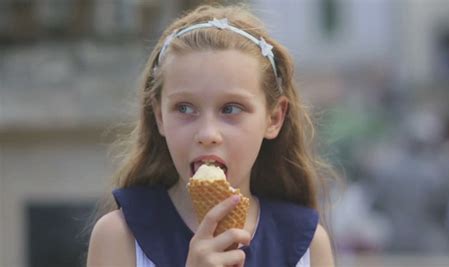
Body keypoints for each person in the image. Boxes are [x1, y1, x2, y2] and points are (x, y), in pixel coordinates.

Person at [87, 4, 335, 267]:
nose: (207, 134)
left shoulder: (307, 246)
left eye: (231, 109)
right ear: (159, 116)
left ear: (273, 118)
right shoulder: (120, 236)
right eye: (184, 108)